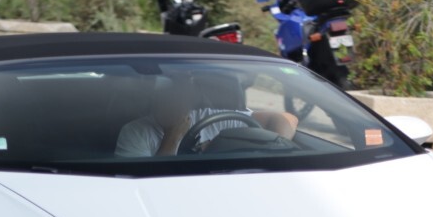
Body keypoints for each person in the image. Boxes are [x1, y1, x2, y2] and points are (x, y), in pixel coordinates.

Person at [116, 76, 298, 157]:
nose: (175, 102)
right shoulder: (135, 132)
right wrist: (173, 136)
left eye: (182, 96)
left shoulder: (213, 118)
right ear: (155, 100)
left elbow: (286, 119)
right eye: (168, 97)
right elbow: (149, 181)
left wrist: (274, 148)